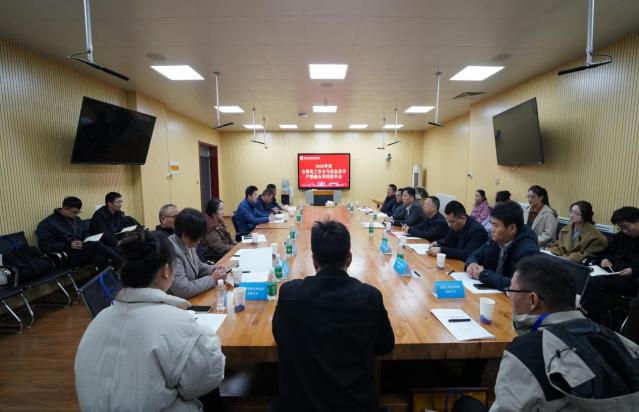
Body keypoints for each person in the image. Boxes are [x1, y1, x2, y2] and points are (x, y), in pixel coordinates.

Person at [74, 231, 225, 411]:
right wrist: (206, 336)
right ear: (166, 270)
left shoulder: (98, 322)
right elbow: (205, 380)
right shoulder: (178, 322)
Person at [486, 255, 639, 411]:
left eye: (511, 291)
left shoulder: (524, 354)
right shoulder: (625, 345)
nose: (510, 297)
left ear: (532, 300)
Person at [272, 219, 394, 411]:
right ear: (349, 259)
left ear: (314, 260)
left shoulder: (289, 293)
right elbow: (385, 346)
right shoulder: (370, 297)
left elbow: (279, 336)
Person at [582, 206, 639, 324]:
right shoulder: (620, 236)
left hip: (632, 280)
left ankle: (592, 319)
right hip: (613, 273)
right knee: (584, 274)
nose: (624, 231)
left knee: (594, 282)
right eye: (621, 228)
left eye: (626, 227)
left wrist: (634, 270)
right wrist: (605, 259)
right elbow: (606, 252)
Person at [465, 201, 539, 290]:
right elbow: (475, 255)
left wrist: (483, 274)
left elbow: (519, 284)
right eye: (491, 224)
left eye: (495, 225)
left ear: (512, 228)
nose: (491, 229)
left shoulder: (527, 249)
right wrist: (472, 264)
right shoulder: (497, 239)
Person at [36, 196, 124, 268]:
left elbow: (84, 233)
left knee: (100, 256)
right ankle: (122, 262)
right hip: (66, 255)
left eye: (78, 212)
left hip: (80, 251)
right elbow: (45, 246)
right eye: (74, 212)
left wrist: (88, 238)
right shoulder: (47, 223)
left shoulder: (77, 220)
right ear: (65, 208)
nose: (76, 215)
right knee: (96, 245)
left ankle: (108, 279)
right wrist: (68, 245)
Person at [168, 208, 228, 299]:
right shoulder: (172, 251)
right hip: (175, 303)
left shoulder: (187, 242)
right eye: (197, 238)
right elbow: (183, 290)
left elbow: (197, 265)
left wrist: (214, 269)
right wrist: (212, 278)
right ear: (185, 235)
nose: (199, 241)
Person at [200, 198, 237, 262]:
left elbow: (228, 239)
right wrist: (234, 248)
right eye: (221, 209)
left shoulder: (218, 221)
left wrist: (238, 244)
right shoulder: (209, 226)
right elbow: (220, 247)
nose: (223, 212)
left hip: (226, 252)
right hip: (218, 258)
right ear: (214, 213)